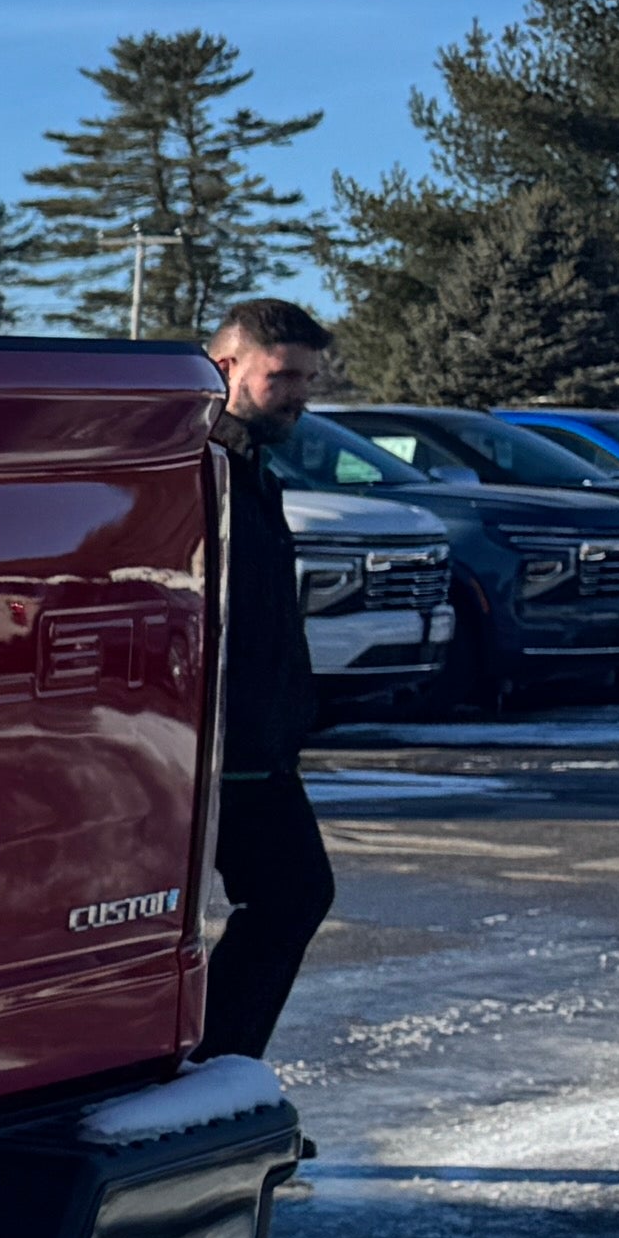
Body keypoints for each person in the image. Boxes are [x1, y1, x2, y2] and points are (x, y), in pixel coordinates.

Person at [201, 294, 336, 1063]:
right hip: (220, 745)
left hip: (261, 741)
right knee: (292, 893)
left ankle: (217, 1066)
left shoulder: (252, 470)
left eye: (307, 379)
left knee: (291, 895)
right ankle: (213, 1066)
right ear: (226, 367)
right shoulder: (197, 468)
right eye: (282, 376)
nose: (299, 395)